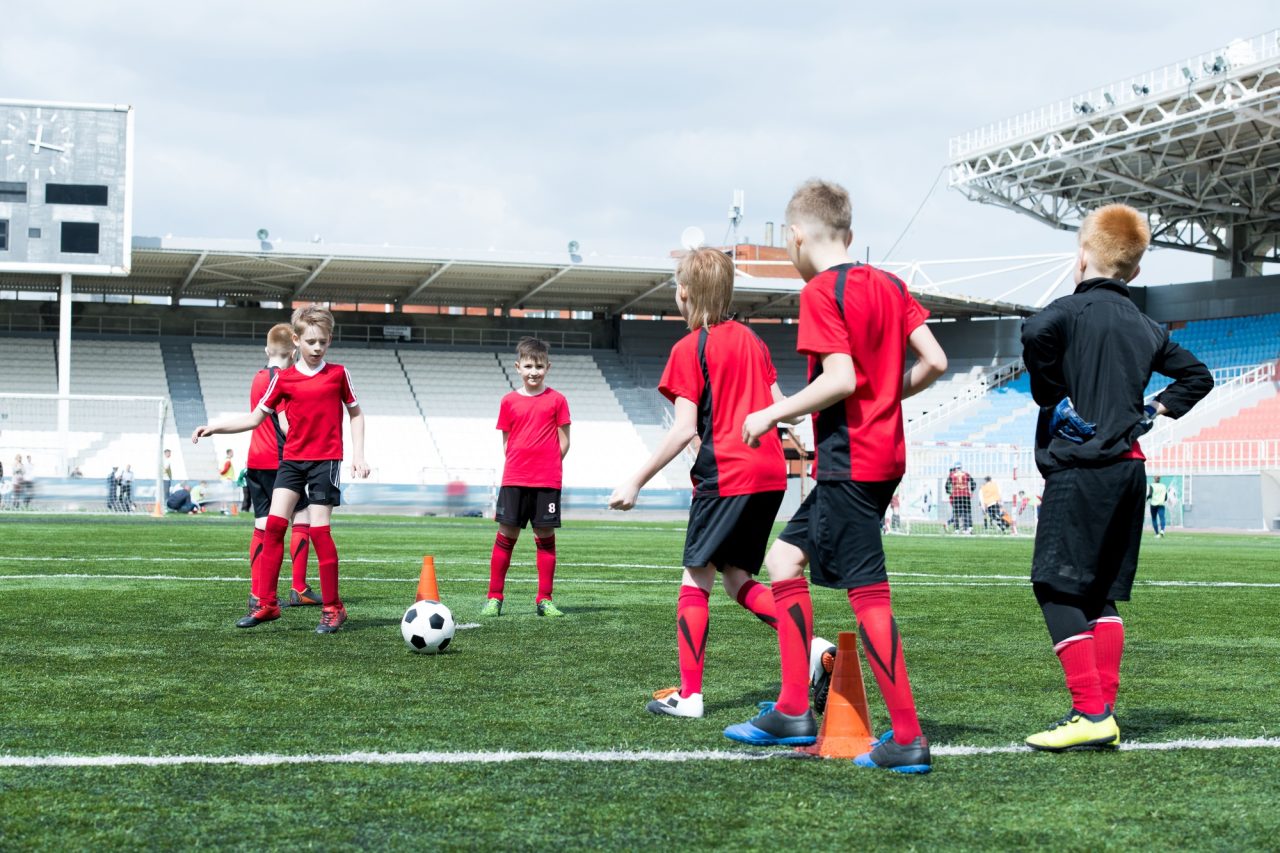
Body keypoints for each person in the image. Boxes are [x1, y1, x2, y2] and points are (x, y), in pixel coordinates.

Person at [729, 179, 948, 774]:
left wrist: (772, 411)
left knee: (868, 594)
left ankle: (907, 737)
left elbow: (842, 378)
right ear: (848, 233)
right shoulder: (892, 284)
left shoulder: (822, 291)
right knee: (782, 562)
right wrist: (887, 396)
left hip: (852, 460)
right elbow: (936, 360)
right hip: (877, 458)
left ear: (797, 236)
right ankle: (795, 708)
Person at [608, 247, 832, 719]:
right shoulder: (753, 341)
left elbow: (685, 427)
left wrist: (636, 480)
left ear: (684, 293)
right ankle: (811, 649)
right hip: (770, 474)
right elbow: (780, 406)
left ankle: (689, 696)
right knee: (736, 579)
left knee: (696, 578)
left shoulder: (689, 347)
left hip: (726, 475)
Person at [1020, 203, 1212, 752]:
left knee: (1055, 585)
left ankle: (1089, 711)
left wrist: (1053, 396)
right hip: (1129, 470)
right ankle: (1102, 710)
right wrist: (1154, 411)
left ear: (1081, 256)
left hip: (1083, 469)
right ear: (1135, 270)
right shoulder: (1147, 325)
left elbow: (1035, 330)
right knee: (1100, 594)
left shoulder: (1066, 312)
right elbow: (1197, 376)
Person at [193, 305, 369, 634]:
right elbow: (255, 418)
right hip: (290, 462)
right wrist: (214, 427)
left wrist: (358, 455)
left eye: (323, 342)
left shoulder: (338, 374)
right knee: (274, 527)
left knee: (319, 531)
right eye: (311, 341)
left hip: (325, 461)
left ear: (330, 340)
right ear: (296, 340)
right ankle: (268, 605)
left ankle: (333, 608)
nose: (317, 348)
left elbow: (356, 413)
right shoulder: (283, 380)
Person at [481, 337, 571, 618]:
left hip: (547, 482)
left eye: (540, 366)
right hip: (515, 480)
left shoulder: (557, 400)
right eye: (529, 365)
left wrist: (547, 466)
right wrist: (521, 465)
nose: (534, 371)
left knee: (545, 537)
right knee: (506, 536)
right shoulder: (508, 401)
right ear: (518, 367)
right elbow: (507, 443)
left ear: (548, 367)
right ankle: (494, 598)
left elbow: (565, 441)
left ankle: (544, 599)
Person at [241, 323, 320, 614]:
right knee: (303, 515)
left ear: (267, 349)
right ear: (295, 349)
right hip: (280, 459)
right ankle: (299, 588)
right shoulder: (283, 380)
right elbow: (286, 424)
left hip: (255, 460)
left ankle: (256, 593)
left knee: (262, 524)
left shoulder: (258, 376)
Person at [945, 462, 975, 534]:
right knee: (967, 512)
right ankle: (968, 528)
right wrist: (971, 491)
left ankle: (957, 530)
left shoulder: (952, 475)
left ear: (955, 468)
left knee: (956, 513)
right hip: (965, 495)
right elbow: (973, 483)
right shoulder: (966, 474)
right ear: (961, 467)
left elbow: (946, 485)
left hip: (956, 495)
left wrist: (949, 492)